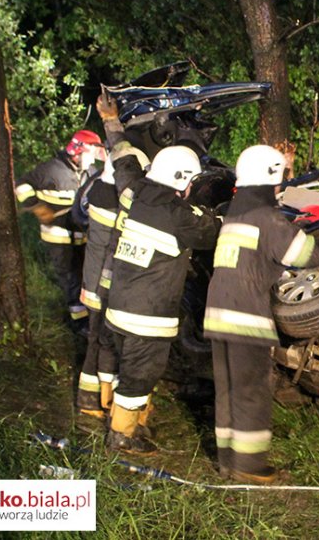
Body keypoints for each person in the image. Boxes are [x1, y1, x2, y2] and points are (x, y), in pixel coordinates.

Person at [203, 145, 319, 484]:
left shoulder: (236, 212)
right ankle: (249, 466)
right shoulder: (267, 218)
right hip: (245, 319)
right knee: (252, 391)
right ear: (271, 176)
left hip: (217, 316)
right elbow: (304, 252)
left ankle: (228, 460)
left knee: (228, 390)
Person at [102, 144, 219, 454]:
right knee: (139, 377)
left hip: (119, 308)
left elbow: (126, 168)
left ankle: (133, 421)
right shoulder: (177, 213)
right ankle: (122, 435)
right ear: (181, 178)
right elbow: (211, 232)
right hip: (147, 317)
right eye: (191, 181)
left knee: (129, 371)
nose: (193, 187)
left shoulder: (137, 194)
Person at [15, 130, 105, 334]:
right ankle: (79, 322)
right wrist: (36, 207)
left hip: (81, 236)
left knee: (85, 275)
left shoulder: (89, 172)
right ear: (78, 151)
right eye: (90, 154)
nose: (92, 160)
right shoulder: (50, 169)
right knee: (71, 278)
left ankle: (89, 317)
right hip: (58, 236)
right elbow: (21, 185)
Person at [74, 154, 121, 419]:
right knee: (101, 341)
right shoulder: (112, 199)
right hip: (101, 284)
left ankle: (89, 398)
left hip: (91, 279)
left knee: (95, 339)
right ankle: (92, 401)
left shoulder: (99, 189)